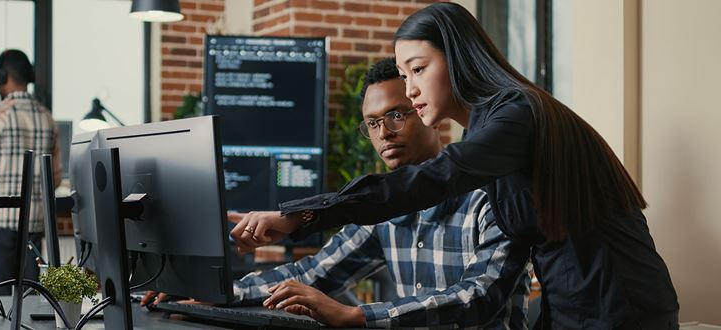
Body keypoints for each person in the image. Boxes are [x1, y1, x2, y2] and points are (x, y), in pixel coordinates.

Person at [231, 3, 679, 329]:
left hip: (622, 311)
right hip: (571, 308)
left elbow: (435, 179)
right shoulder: (492, 128)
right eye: (404, 76)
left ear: (458, 57)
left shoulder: (516, 113)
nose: (409, 91)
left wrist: (300, 215)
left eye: (418, 69)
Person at [144, 58, 533, 328]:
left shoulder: (489, 193)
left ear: (426, 110)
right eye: (373, 123)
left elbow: (479, 297)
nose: (384, 132)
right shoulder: (381, 209)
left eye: (397, 114)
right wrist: (207, 294)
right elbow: (312, 273)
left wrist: (356, 315)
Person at [0, 49, 61, 295]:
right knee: (31, 308)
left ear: (3, 78)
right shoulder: (48, 119)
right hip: (33, 229)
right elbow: (54, 179)